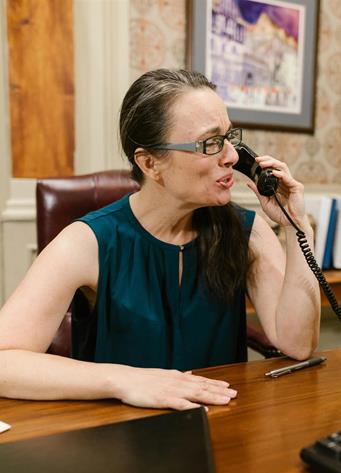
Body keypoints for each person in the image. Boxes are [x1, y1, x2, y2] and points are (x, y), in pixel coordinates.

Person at [0, 69, 320, 410]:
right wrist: (122, 379)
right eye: (210, 143)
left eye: (229, 137)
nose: (230, 156)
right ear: (151, 163)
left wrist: (297, 227)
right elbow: (5, 359)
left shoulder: (247, 231)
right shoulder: (88, 241)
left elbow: (298, 344)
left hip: (222, 426)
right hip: (120, 437)